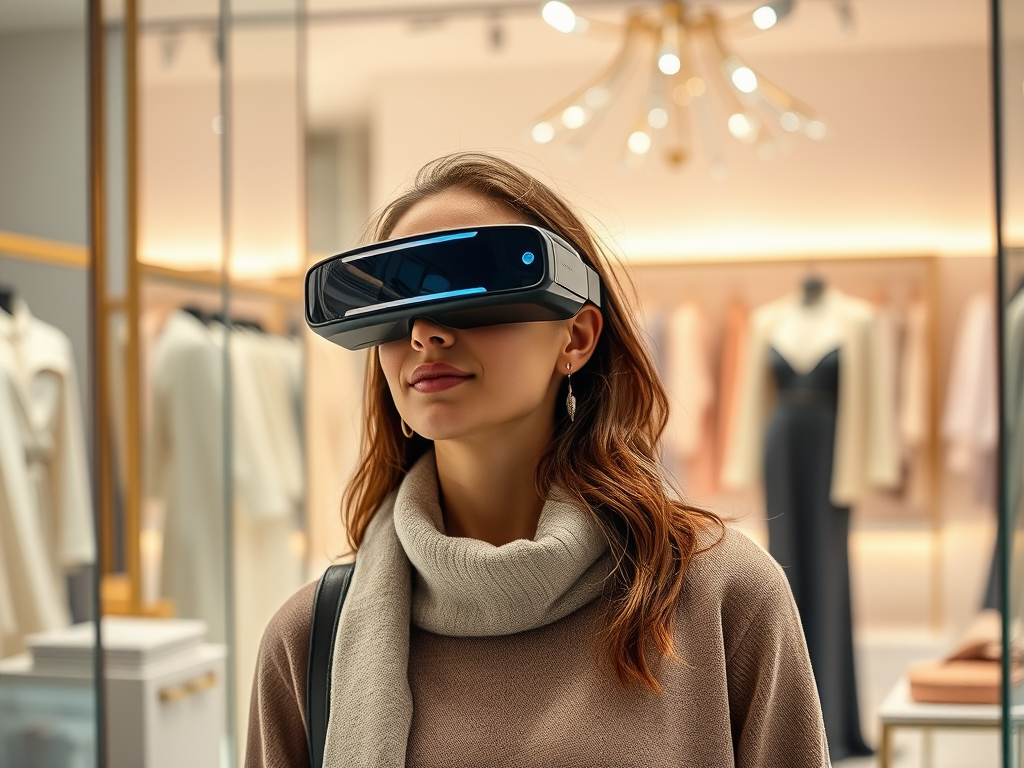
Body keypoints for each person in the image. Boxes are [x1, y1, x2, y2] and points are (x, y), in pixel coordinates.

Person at [245, 151, 830, 768]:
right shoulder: (310, 640)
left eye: (474, 290)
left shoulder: (719, 595)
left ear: (575, 338)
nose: (425, 333)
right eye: (396, 302)